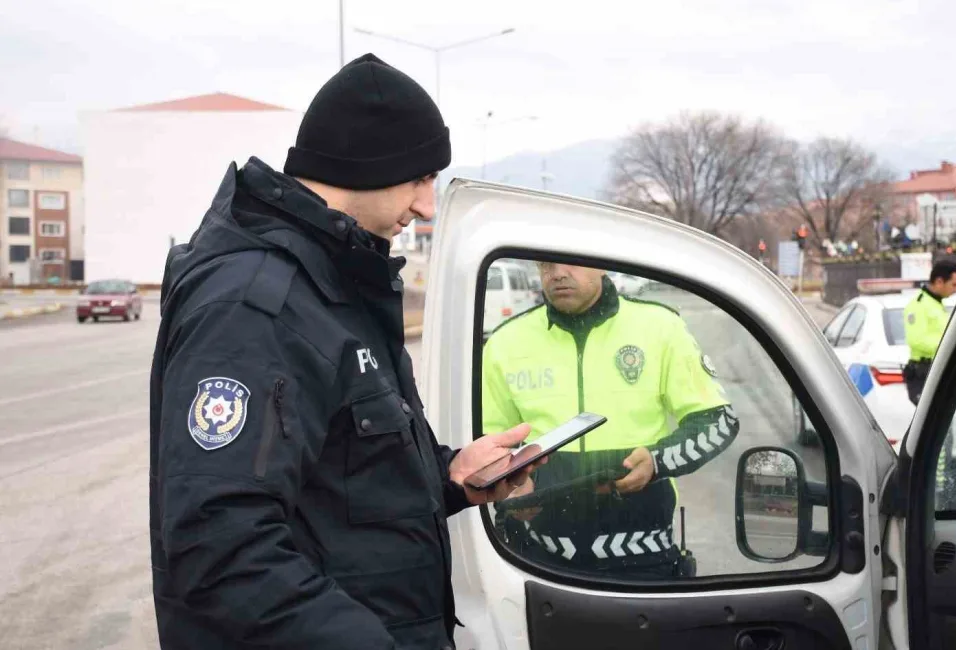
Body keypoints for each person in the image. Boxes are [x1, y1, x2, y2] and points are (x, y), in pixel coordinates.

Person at [149, 53, 537, 650]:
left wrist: (451, 478)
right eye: (421, 178)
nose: (427, 206)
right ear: (372, 163)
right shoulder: (259, 304)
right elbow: (220, 549)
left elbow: (337, 489)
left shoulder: (335, 284)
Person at [481, 261, 740, 579]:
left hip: (642, 558)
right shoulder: (505, 342)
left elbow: (717, 421)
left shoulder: (660, 326)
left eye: (570, 261)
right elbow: (486, 442)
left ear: (599, 264)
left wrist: (657, 462)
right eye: (547, 264)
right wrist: (510, 485)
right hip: (535, 558)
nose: (558, 273)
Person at [902, 259, 956, 405]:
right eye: (954, 284)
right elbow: (916, 340)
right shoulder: (919, 305)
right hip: (924, 373)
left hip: (937, 370)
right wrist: (951, 345)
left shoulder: (936, 304)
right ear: (939, 281)